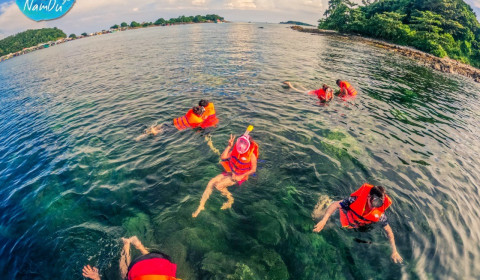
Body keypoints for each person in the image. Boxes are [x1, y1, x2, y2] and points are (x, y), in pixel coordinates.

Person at [313, 184, 403, 263]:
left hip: (353, 222)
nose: (373, 207)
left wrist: (394, 251)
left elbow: (389, 231)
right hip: (343, 212)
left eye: (378, 204)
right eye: (373, 203)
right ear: (368, 196)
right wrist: (324, 220)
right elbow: (335, 205)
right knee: (316, 217)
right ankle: (325, 199)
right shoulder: (354, 200)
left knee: (327, 228)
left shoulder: (379, 215)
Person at [192, 126, 259, 218]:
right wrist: (229, 146)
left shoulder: (251, 155)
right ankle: (201, 206)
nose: (241, 146)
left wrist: (241, 176)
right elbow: (223, 157)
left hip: (239, 175)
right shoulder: (236, 149)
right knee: (211, 182)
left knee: (219, 186)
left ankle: (230, 199)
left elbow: (253, 169)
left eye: (244, 144)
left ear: (248, 144)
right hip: (230, 171)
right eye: (240, 143)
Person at [82, 236, 179, 280]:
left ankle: (139, 246)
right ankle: (126, 244)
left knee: (154, 264)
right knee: (124, 275)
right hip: (140, 268)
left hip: (161, 261)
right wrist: (96, 277)